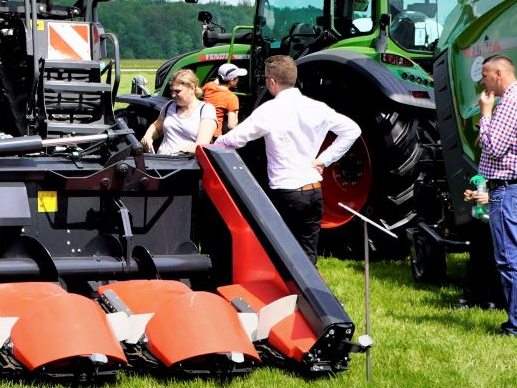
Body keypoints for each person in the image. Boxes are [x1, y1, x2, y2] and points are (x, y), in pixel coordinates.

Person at [208, 55, 360, 259]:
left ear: (271, 82)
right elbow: (352, 130)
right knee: (307, 255)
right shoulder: (318, 107)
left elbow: (233, 139)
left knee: (280, 256)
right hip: (314, 190)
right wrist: (325, 159)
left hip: (287, 192)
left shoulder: (270, 110)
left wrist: (208, 147)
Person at [469, 55, 517, 336]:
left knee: (509, 259)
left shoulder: (510, 103)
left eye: (485, 76)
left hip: (507, 190)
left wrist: (485, 113)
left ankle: (516, 326)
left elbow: (494, 146)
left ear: (499, 73)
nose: (483, 82)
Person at [142, 68, 218, 155]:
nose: (173, 95)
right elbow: (157, 127)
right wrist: (148, 137)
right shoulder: (169, 106)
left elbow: (201, 145)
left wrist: (174, 152)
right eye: (172, 91)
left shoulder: (206, 110)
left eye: (178, 91)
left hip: (186, 164)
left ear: (192, 88)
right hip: (162, 161)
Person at [202, 61, 245, 132]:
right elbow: (231, 126)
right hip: (214, 134)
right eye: (237, 78)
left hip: (202, 128)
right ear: (232, 81)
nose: (238, 79)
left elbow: (215, 82)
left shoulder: (209, 85)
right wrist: (236, 111)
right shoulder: (231, 97)